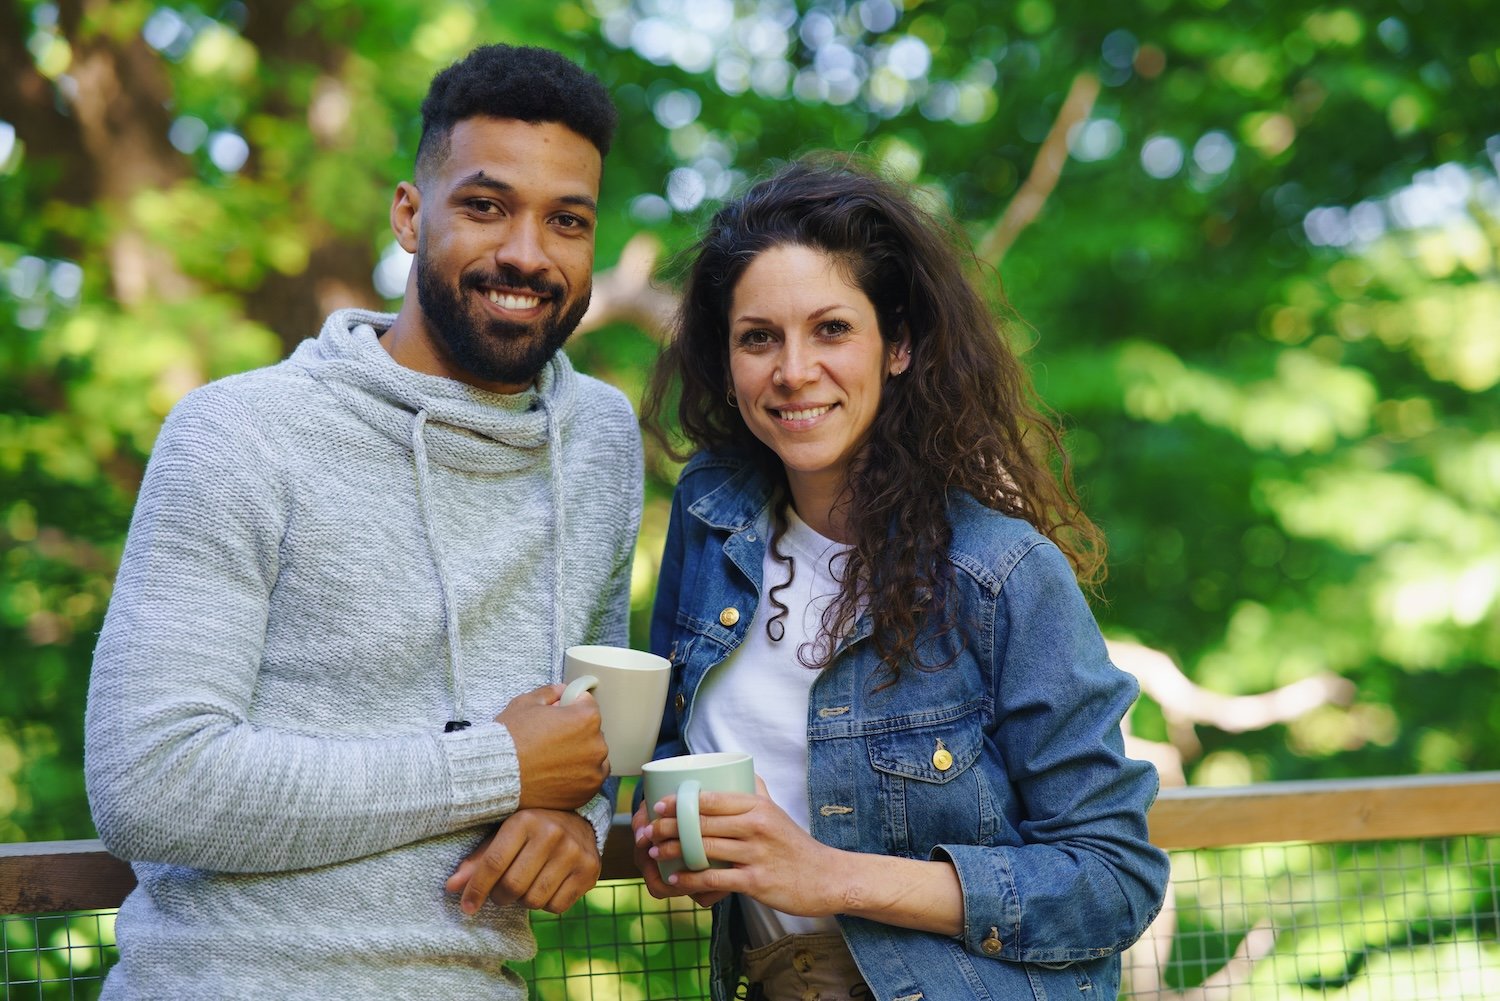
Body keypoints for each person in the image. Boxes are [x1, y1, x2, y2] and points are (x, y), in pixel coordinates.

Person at [83, 44, 641, 998]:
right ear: (408, 215)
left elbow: (592, 725)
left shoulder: (599, 440)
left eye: (568, 220)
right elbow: (151, 783)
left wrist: (579, 820)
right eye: (485, 205)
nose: (526, 252)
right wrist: (496, 767)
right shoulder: (242, 431)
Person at [633, 156, 1171, 1001]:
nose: (793, 370)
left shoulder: (999, 575)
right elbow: (668, 746)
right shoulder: (710, 522)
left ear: (900, 346)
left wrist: (830, 875)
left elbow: (1113, 878)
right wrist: (670, 841)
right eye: (758, 336)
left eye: (832, 329)